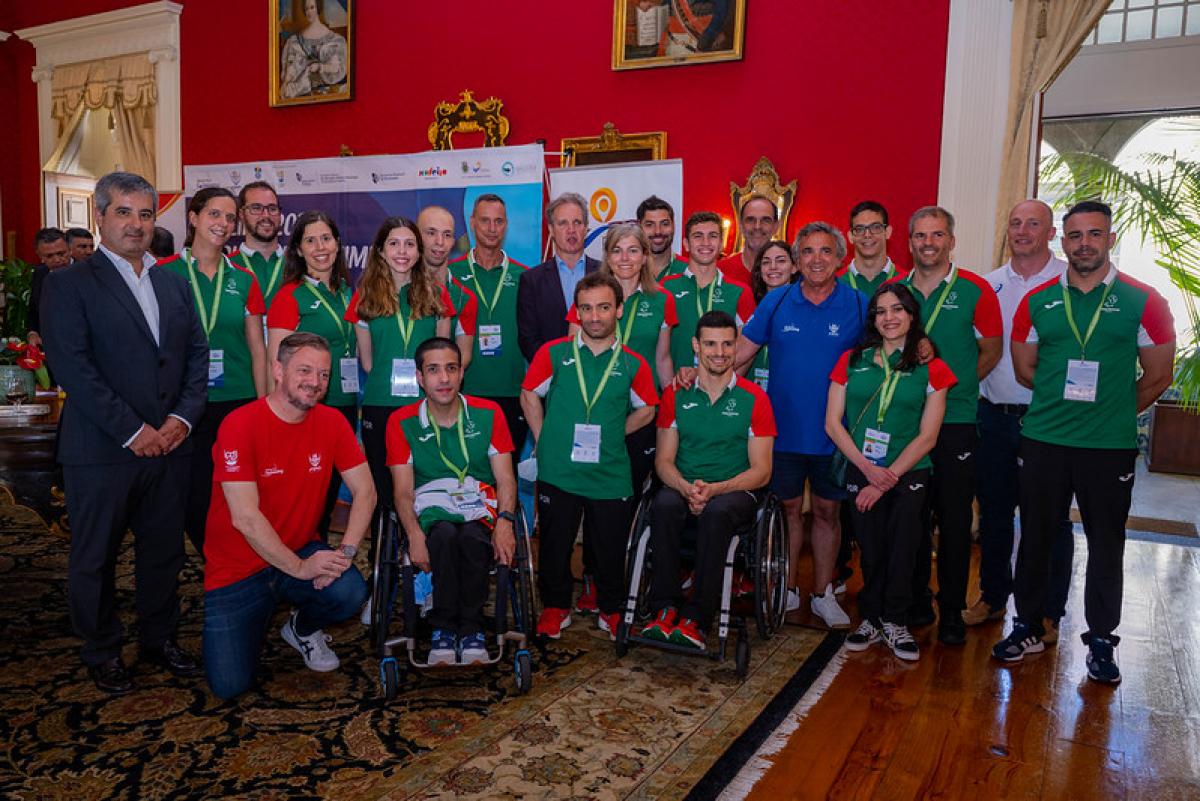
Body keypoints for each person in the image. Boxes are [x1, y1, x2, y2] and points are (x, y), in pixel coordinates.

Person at [41, 171, 208, 695]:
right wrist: (134, 430)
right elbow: (73, 367)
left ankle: (159, 639)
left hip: (170, 447)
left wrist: (180, 420)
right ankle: (103, 650)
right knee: (95, 557)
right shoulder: (68, 283)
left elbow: (195, 358)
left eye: (145, 214)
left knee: (164, 553)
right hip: (102, 451)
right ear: (99, 216)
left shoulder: (172, 281)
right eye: (124, 213)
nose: (136, 225)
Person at [994, 200, 1175, 684]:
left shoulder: (1144, 300)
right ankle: (1028, 625)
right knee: (1033, 538)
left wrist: (1111, 412)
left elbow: (1159, 376)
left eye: (1094, 234)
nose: (1084, 244)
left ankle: (1101, 640)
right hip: (1043, 440)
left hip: (1108, 447)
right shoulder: (1038, 301)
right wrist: (1063, 404)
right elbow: (1025, 367)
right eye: (1075, 236)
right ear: (1063, 241)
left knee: (1106, 543)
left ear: (1110, 240)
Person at [202, 332, 374, 700]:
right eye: (305, 370)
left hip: (299, 551)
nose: (315, 382)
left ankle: (300, 627)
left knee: (350, 591)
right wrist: (298, 568)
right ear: (278, 370)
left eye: (324, 374)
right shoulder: (239, 424)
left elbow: (366, 491)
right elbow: (245, 518)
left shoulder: (331, 422)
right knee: (230, 687)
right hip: (238, 568)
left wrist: (344, 554)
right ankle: (260, 613)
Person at [735, 221, 867, 628]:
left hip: (835, 434)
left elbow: (889, 352)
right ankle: (788, 588)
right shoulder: (776, 301)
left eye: (825, 251)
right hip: (783, 431)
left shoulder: (861, 305)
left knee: (828, 513)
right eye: (807, 251)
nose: (816, 259)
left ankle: (824, 592)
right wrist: (702, 377)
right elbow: (740, 353)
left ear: (841, 259)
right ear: (795, 260)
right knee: (788, 510)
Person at [520, 272, 658, 640]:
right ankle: (554, 605)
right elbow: (529, 394)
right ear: (576, 312)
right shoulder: (554, 353)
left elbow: (648, 409)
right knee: (554, 542)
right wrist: (543, 436)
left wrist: (616, 431)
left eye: (603, 307)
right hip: (559, 470)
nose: (594, 316)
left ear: (619, 310)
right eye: (586, 308)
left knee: (609, 546)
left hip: (610, 472)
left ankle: (611, 608)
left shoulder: (633, 363)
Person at [827, 284, 956, 661]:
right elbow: (833, 424)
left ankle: (895, 620)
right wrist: (867, 469)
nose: (889, 318)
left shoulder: (932, 366)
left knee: (903, 547)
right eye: (881, 311)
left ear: (912, 315)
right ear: (873, 320)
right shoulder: (852, 360)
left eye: (897, 309)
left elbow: (928, 436)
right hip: (861, 468)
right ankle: (870, 618)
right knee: (871, 548)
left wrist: (886, 479)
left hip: (909, 472)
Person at [967, 199, 1074, 639]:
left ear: (1051, 232)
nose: (1023, 231)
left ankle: (1048, 611)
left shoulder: (1071, 281)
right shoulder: (987, 286)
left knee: (1049, 520)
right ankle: (993, 597)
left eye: (1034, 223)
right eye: (1015, 223)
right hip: (993, 417)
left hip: (1050, 422)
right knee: (993, 514)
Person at [897, 206, 1002, 645]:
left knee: (955, 519)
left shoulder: (976, 290)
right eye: (920, 235)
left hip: (956, 419)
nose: (928, 243)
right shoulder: (894, 291)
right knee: (912, 515)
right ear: (910, 242)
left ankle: (954, 610)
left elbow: (990, 351)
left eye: (936, 235)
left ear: (950, 241)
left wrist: (956, 388)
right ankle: (918, 601)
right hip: (905, 420)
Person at [643, 310, 775, 649]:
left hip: (735, 490)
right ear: (696, 346)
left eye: (727, 344)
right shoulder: (676, 394)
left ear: (736, 347)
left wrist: (715, 489)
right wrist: (687, 488)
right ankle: (664, 608)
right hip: (684, 484)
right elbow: (664, 460)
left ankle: (697, 618)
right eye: (711, 344)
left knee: (717, 514)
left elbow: (762, 470)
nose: (719, 352)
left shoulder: (755, 399)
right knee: (663, 504)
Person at [386, 337, 518, 664]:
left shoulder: (489, 414)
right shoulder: (401, 422)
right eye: (433, 370)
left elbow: (505, 479)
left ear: (461, 373)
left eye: (451, 369)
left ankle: (471, 628)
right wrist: (414, 536)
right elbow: (402, 492)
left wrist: (505, 522)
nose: (443, 378)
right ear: (419, 377)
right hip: (430, 509)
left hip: (478, 504)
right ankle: (443, 627)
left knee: (472, 538)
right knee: (443, 536)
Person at [159, 187, 268, 555]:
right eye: (214, 215)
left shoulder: (244, 278)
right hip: (184, 405)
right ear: (193, 218)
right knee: (193, 492)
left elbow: (258, 350)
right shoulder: (163, 274)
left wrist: (263, 406)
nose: (223, 224)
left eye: (230, 217)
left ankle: (237, 561)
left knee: (239, 489)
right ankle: (212, 555)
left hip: (236, 402)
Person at [347, 216, 457, 504]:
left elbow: (445, 357)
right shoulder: (364, 297)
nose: (402, 251)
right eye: (393, 244)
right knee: (382, 492)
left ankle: (418, 547)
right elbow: (368, 362)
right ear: (381, 251)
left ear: (419, 252)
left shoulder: (436, 295)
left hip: (425, 406)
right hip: (380, 404)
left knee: (423, 489)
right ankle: (380, 549)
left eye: (409, 244)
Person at [266, 210, 358, 536]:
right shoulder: (289, 296)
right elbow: (274, 365)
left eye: (326, 238)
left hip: (345, 407)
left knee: (329, 491)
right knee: (304, 493)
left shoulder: (348, 292)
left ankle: (314, 551)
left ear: (337, 243)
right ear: (299, 250)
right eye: (310, 240)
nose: (320, 247)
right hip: (305, 411)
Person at [448, 194, 529, 465]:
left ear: (506, 225)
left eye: (498, 221)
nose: (492, 228)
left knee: (509, 471)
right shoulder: (450, 274)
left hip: (512, 392)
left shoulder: (525, 277)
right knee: (465, 468)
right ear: (472, 223)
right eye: (485, 221)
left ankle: (509, 509)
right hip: (463, 389)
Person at [663, 211, 756, 374]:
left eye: (712, 236)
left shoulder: (740, 292)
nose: (705, 242)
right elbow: (658, 351)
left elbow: (745, 351)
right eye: (698, 236)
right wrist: (670, 392)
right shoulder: (666, 288)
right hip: (677, 390)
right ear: (686, 244)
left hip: (724, 393)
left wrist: (724, 389)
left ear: (721, 243)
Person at [517, 193, 600, 363]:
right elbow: (528, 339)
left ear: (586, 228)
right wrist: (556, 370)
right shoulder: (531, 280)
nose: (571, 230)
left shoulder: (604, 274)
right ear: (551, 230)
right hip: (551, 377)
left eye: (577, 222)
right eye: (563, 223)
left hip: (598, 372)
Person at [417, 205, 478, 365]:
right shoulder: (394, 288)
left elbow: (463, 357)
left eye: (447, 235)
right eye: (431, 233)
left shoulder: (464, 298)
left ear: (453, 241)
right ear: (416, 236)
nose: (440, 242)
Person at [746, 240, 799, 392]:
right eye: (766, 262)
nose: (773, 267)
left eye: (781, 261)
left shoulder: (804, 311)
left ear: (794, 267)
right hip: (751, 392)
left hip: (787, 391)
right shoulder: (749, 306)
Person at [230, 181, 287, 309]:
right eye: (256, 208)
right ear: (241, 215)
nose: (266, 215)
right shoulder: (226, 266)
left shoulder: (298, 265)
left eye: (272, 208)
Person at [280, 0, 348, 99]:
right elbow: (288, 75)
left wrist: (320, 67)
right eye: (306, 9)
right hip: (303, 96)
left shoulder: (336, 41)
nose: (309, 12)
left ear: (318, 8)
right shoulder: (294, 42)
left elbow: (338, 70)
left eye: (312, 7)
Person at [839, 200, 906, 298]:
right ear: (850, 237)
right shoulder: (835, 285)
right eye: (859, 229)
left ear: (888, 232)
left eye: (876, 227)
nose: (867, 235)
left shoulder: (907, 283)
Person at [717, 194, 779, 286]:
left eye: (766, 220)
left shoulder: (787, 273)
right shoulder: (719, 272)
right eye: (750, 220)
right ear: (741, 226)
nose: (757, 227)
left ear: (776, 227)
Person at [26, 227, 70, 348]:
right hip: (48, 348)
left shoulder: (87, 273)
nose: (57, 260)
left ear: (69, 250)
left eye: (61, 254)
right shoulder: (40, 273)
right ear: (40, 256)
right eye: (49, 256)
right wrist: (32, 333)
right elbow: (34, 310)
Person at [637, 195, 688, 282]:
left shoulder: (689, 270)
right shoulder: (629, 269)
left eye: (664, 224)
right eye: (649, 225)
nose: (658, 231)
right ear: (639, 227)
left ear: (673, 226)